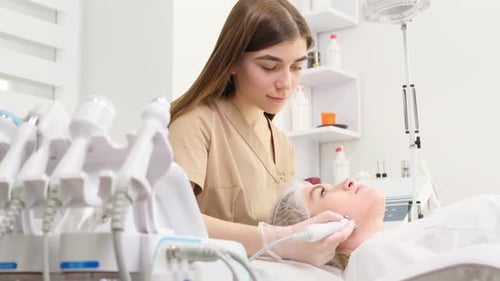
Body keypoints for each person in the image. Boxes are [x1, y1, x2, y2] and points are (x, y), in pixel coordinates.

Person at [167, 0, 355, 266]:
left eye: (297, 67)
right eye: (269, 67)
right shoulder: (195, 124)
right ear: (231, 61)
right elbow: (171, 217)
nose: (286, 83)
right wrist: (279, 240)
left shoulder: (280, 143)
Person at [270, 178, 500, 279]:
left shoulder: (396, 240)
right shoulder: (370, 257)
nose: (347, 181)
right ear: (319, 231)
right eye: (323, 193)